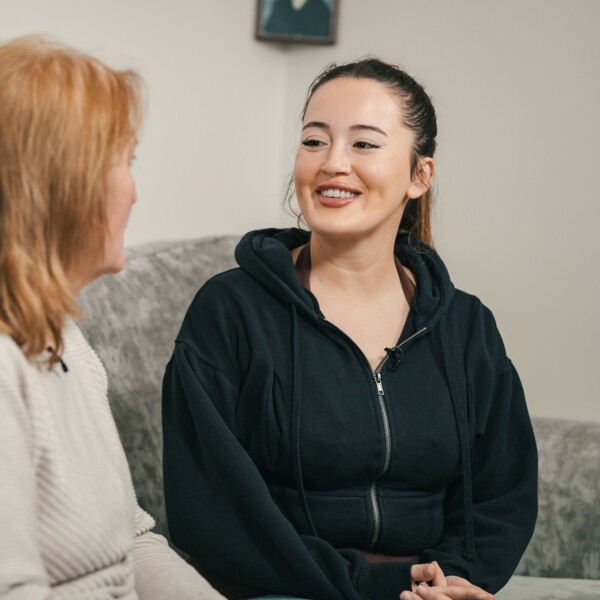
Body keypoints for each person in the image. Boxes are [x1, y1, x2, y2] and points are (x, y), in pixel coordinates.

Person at [162, 58, 538, 600]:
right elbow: (213, 511)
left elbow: (501, 491)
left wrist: (453, 580)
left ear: (419, 175)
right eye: (314, 141)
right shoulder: (230, 310)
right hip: (276, 589)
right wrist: (376, 584)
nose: (333, 162)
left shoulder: (466, 326)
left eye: (364, 144)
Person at [0, 36, 223, 599]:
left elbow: (133, 539)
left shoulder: (64, 338)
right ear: (64, 186)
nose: (135, 192)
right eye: (125, 161)